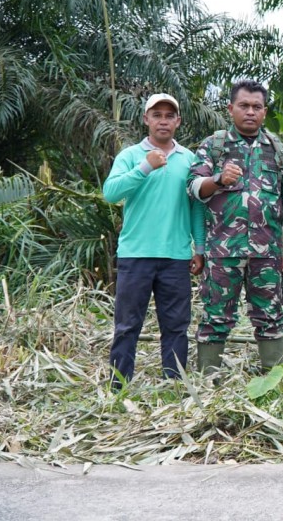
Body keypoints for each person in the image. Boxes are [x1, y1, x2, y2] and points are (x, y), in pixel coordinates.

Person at [188, 80, 283, 374]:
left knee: (271, 315)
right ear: (230, 109)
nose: (250, 112)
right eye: (244, 106)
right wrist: (218, 180)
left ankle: (271, 378)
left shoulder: (277, 150)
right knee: (216, 316)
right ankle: (206, 380)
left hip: (267, 252)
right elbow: (194, 187)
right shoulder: (214, 146)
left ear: (264, 112)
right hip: (223, 251)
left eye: (257, 107)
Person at [103, 93, 205, 390]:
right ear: (146, 119)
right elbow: (111, 193)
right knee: (127, 326)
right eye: (156, 114)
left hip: (175, 256)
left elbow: (196, 207)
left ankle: (173, 386)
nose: (163, 120)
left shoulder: (189, 159)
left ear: (178, 121)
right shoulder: (131, 155)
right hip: (135, 255)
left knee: (176, 326)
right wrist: (145, 167)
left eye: (169, 115)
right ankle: (118, 387)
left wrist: (199, 248)